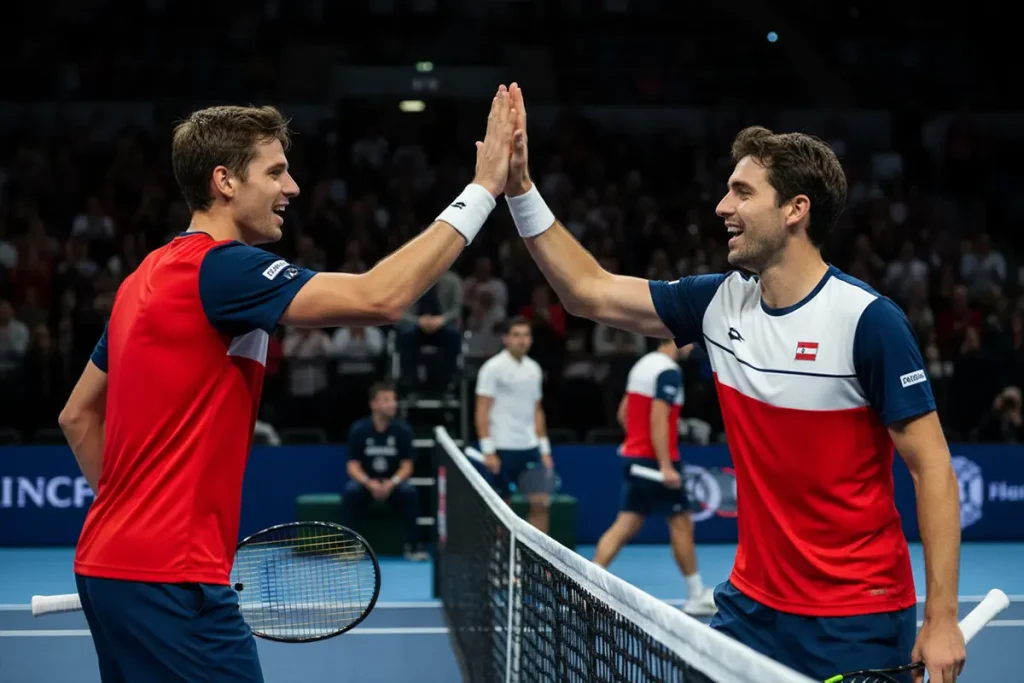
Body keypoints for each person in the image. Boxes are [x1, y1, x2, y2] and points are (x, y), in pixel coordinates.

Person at [498, 83, 965, 683]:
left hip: (854, 618)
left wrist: (944, 615)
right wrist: (520, 190)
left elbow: (933, 469)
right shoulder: (718, 303)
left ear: (796, 209)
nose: (722, 206)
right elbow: (586, 290)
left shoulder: (868, 322)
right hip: (751, 608)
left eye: (742, 192)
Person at [58, 87, 519, 683]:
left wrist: (133, 525)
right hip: (173, 577)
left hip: (108, 564)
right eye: (275, 172)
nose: (292, 187)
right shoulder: (221, 269)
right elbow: (381, 297)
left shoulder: (141, 280)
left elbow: (77, 416)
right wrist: (482, 190)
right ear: (224, 181)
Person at [593, 339, 717, 617]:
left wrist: (635, 443)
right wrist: (665, 466)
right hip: (654, 462)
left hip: (635, 457)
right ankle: (696, 593)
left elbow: (623, 413)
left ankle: (588, 581)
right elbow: (659, 419)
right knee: (681, 521)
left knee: (626, 523)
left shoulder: (643, 365)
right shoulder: (668, 371)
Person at [474, 316, 554, 532]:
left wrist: (544, 450)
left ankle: (540, 563)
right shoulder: (492, 368)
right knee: (501, 510)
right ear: (506, 339)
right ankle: (499, 562)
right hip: (501, 449)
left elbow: (537, 410)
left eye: (526, 335)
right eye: (516, 335)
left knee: (540, 504)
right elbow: (482, 409)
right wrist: (488, 450)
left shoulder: (534, 369)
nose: (522, 340)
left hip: (530, 449)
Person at [341, 381, 425, 561]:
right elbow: (352, 466)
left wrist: (391, 483)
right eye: (386, 400)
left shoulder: (403, 430)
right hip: (367, 484)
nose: (392, 404)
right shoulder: (359, 430)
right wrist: (369, 483)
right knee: (351, 492)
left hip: (393, 484)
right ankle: (350, 546)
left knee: (409, 493)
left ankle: (413, 546)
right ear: (373, 404)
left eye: (393, 400)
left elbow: (407, 466)